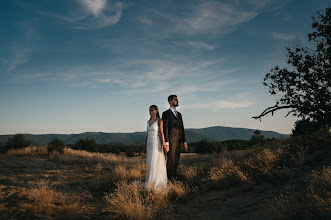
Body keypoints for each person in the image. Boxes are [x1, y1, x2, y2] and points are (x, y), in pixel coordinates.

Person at [143, 105, 169, 190]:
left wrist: (164, 145)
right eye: (149, 110)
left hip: (156, 142)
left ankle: (155, 182)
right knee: (150, 162)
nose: (150, 112)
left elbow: (161, 133)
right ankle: (149, 181)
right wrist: (145, 146)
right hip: (149, 143)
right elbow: (147, 134)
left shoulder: (159, 120)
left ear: (156, 111)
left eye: (152, 110)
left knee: (155, 161)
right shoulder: (148, 121)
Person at [162, 95, 188, 180]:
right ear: (170, 101)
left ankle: (173, 177)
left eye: (177, 100)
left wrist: (184, 141)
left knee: (176, 160)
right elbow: (165, 129)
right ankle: (168, 179)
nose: (177, 101)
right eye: (175, 100)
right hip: (171, 141)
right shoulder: (166, 114)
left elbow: (182, 128)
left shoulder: (179, 114)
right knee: (171, 161)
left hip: (179, 141)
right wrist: (166, 143)